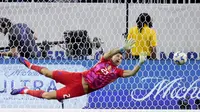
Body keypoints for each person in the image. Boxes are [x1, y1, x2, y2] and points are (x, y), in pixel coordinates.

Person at [10, 38, 147, 101]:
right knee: (47, 73)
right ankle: (29, 64)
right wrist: (122, 48)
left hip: (79, 89)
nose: (119, 58)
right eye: (117, 56)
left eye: (121, 58)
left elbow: (132, 73)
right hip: (77, 77)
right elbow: (110, 52)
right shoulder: (104, 60)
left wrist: (139, 63)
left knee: (47, 96)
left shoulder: (117, 72)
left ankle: (24, 90)